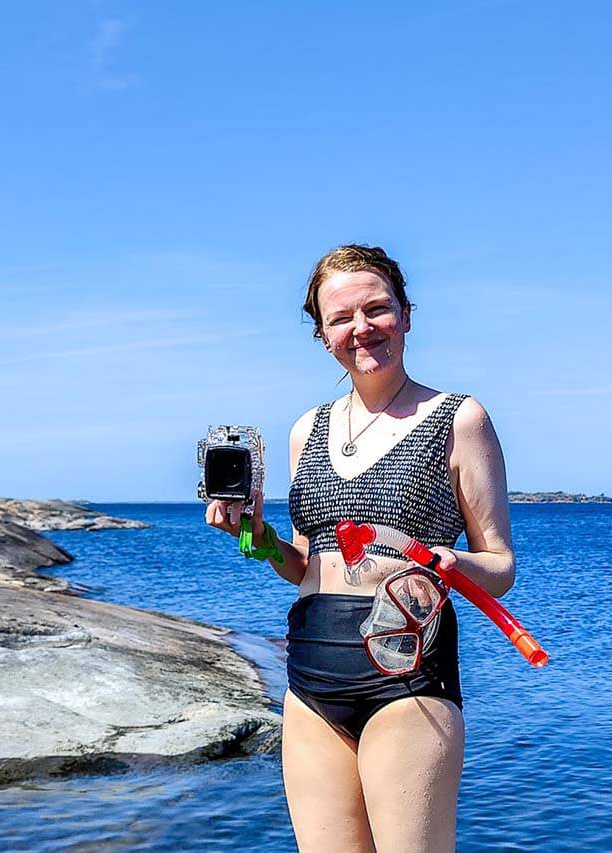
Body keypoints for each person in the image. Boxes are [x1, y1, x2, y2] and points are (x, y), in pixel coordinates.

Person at [204, 244, 515, 852]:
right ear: (322, 333)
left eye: (377, 309)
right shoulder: (307, 429)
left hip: (405, 670)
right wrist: (253, 535)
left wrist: (453, 564)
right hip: (311, 675)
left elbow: (500, 566)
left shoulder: (459, 418)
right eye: (341, 317)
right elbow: (302, 563)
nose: (361, 328)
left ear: (406, 312)